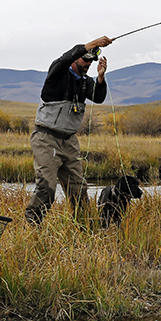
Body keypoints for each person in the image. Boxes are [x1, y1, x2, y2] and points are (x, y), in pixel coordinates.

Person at [24, 36, 113, 225]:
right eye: (85, 59)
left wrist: (100, 78)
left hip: (69, 141)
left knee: (78, 189)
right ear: (75, 58)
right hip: (46, 138)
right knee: (47, 186)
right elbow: (63, 60)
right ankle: (32, 225)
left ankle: (84, 228)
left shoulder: (85, 82)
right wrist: (93, 44)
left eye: (91, 60)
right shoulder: (57, 75)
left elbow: (98, 98)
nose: (88, 63)